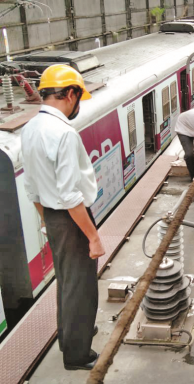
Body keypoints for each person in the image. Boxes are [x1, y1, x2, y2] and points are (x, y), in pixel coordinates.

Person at [21, 64, 104, 370]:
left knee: (66, 281)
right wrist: (93, 237)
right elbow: (71, 195)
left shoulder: (30, 129)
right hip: (72, 217)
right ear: (71, 94)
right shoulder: (64, 134)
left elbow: (31, 189)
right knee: (81, 285)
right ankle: (78, 354)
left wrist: (46, 219)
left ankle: (71, 335)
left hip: (53, 216)